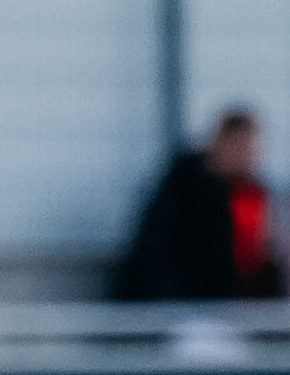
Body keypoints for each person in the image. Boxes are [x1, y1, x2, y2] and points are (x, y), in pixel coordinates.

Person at [115, 108, 276, 302]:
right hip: (184, 307)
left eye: (250, 149)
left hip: (228, 307)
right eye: (238, 147)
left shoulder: (249, 197)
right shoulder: (182, 191)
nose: (246, 157)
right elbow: (160, 258)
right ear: (219, 143)